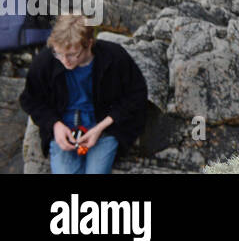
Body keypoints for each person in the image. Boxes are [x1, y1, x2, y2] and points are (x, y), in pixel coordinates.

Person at [19, 14, 148, 174]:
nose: (65, 61)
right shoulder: (46, 61)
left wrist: (101, 127)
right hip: (63, 126)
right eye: (59, 53)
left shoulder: (115, 57)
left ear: (89, 43)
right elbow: (29, 100)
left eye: (72, 54)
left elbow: (137, 94)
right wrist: (55, 125)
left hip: (104, 127)